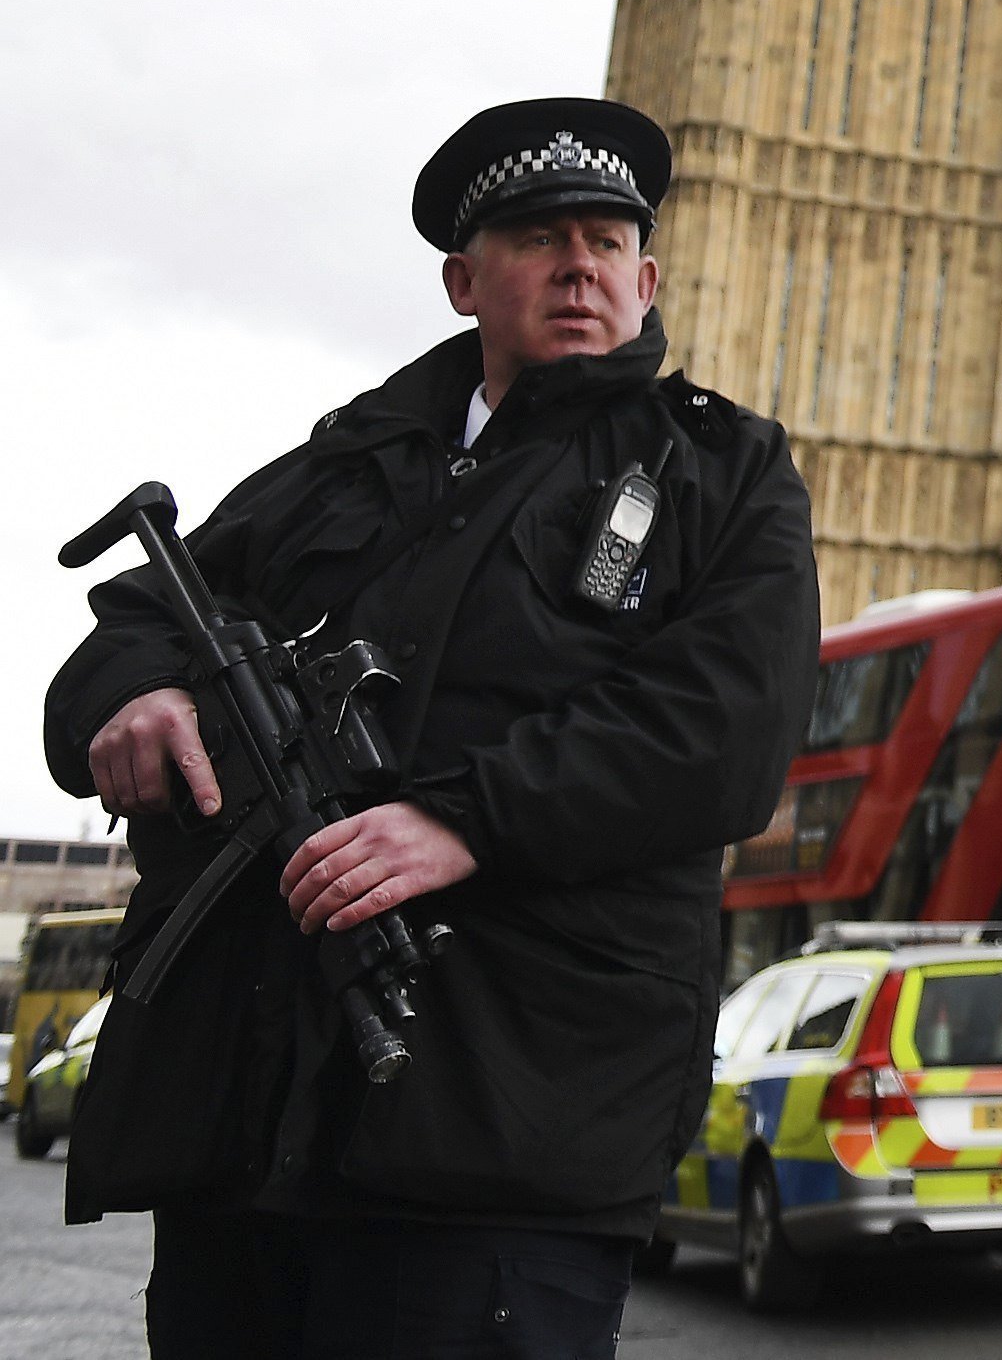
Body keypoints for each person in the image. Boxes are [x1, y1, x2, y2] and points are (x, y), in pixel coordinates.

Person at [44, 99, 818, 1360]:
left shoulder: (717, 475)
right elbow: (144, 606)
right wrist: (134, 695)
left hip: (509, 1129)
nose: (581, 264)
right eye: (538, 237)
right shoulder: (354, 461)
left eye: (609, 240)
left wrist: (465, 817)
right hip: (252, 1129)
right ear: (464, 279)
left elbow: (726, 730)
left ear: (648, 275)